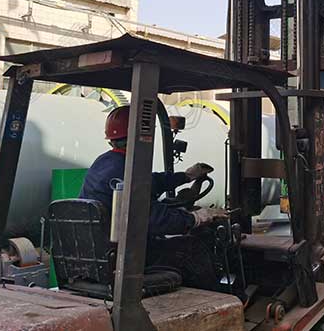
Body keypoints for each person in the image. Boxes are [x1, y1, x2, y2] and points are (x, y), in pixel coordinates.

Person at [79, 105, 225, 290]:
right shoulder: (127, 169)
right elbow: (153, 218)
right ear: (140, 136)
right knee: (192, 247)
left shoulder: (106, 162)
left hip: (102, 252)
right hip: (126, 256)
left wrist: (186, 176)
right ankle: (222, 298)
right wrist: (195, 217)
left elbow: (151, 181)